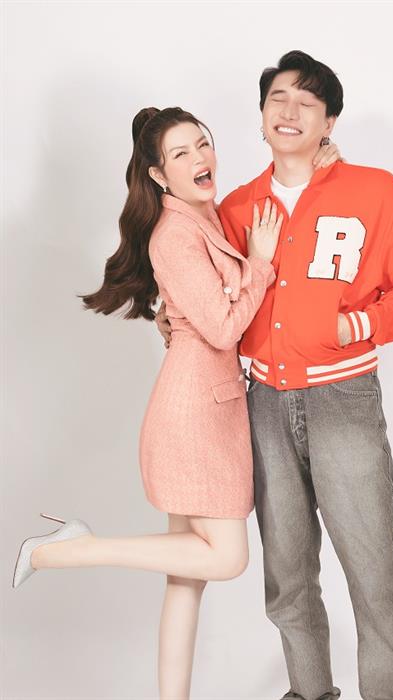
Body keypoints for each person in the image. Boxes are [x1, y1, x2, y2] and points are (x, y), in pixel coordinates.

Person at [11, 105, 341, 700]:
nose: (200, 158)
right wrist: (260, 266)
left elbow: (201, 305)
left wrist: (315, 163)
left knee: (185, 580)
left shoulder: (203, 217)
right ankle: (75, 549)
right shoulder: (175, 233)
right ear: (159, 175)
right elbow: (224, 328)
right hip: (197, 416)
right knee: (227, 559)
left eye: (203, 143)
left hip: (205, 404)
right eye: (181, 154)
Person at [158, 51, 393, 700]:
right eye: (277, 99)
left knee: (374, 572)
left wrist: (356, 324)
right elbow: (211, 295)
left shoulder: (375, 192)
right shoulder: (235, 208)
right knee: (286, 579)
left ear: (329, 121)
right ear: (261, 116)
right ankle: (310, 692)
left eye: (306, 102)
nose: (288, 111)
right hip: (261, 404)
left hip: (344, 400)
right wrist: (169, 317)